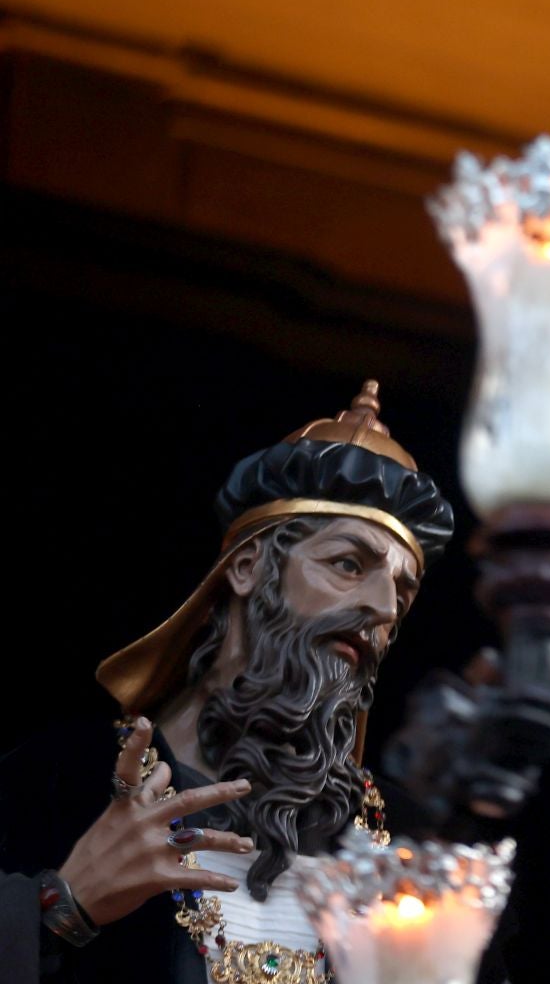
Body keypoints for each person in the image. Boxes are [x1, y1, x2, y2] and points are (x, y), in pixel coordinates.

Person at [0, 380, 454, 983]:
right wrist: (62, 905)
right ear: (247, 567)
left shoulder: (409, 850)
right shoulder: (60, 782)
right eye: (349, 564)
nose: (384, 609)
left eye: (403, 590)